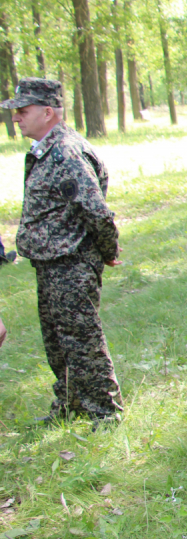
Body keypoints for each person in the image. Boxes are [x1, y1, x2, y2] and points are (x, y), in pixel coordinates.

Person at [4, 78, 123, 425]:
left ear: (47, 112)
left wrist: (107, 251)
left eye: (23, 111)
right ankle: (71, 406)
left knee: (82, 340)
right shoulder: (46, 149)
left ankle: (105, 413)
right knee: (57, 341)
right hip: (51, 263)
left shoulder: (66, 153)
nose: (16, 118)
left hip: (71, 262)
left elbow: (97, 211)